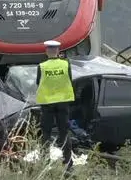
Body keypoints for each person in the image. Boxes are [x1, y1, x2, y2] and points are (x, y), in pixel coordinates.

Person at [36, 40, 75, 172]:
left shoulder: (42, 66)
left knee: (46, 133)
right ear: (58, 51)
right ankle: (68, 164)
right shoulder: (65, 64)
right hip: (63, 102)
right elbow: (69, 79)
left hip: (47, 103)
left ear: (46, 52)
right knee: (64, 132)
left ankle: (45, 161)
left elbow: (38, 82)